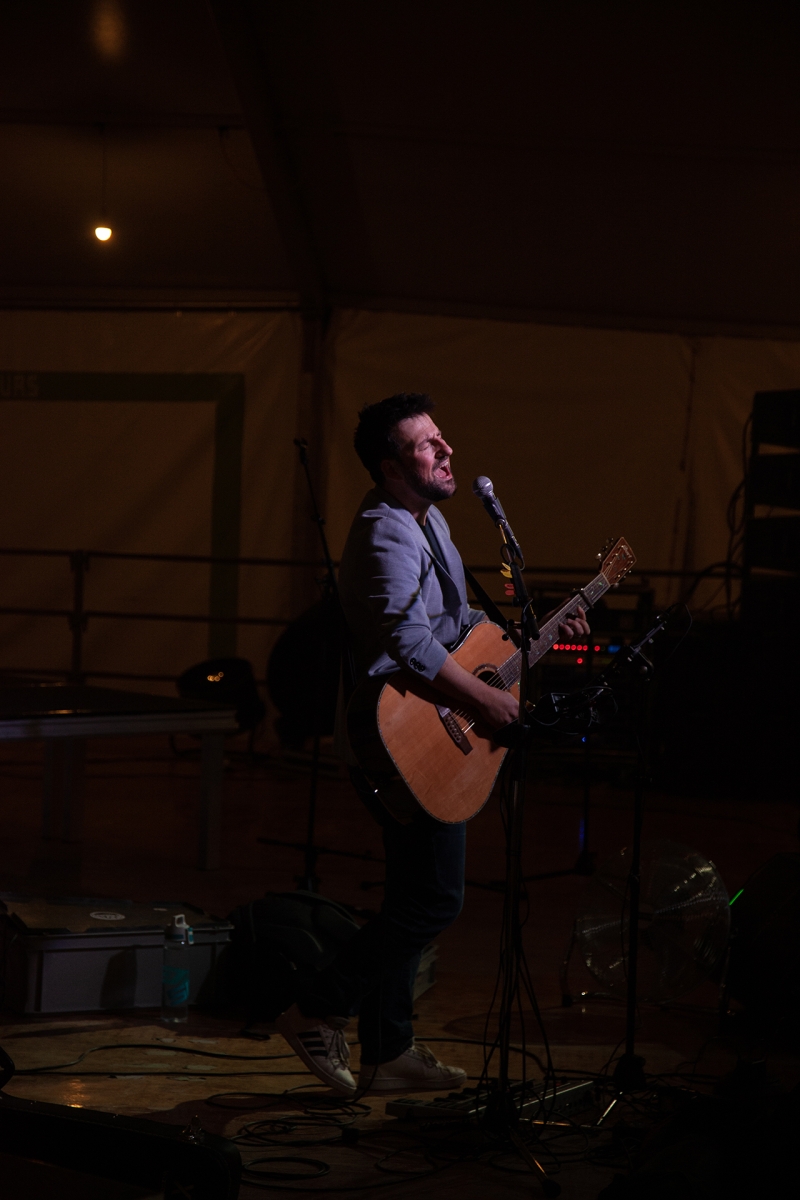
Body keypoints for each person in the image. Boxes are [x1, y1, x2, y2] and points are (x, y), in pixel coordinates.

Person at [277, 393, 589, 1096]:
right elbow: (408, 642)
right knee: (435, 901)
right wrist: (484, 699)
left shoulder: (430, 520)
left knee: (410, 896)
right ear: (391, 467)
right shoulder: (385, 532)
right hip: (401, 742)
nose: (447, 451)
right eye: (426, 445)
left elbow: (453, 624)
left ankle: (388, 1052)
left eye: (442, 438)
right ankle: (317, 1008)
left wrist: (523, 640)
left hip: (422, 732)